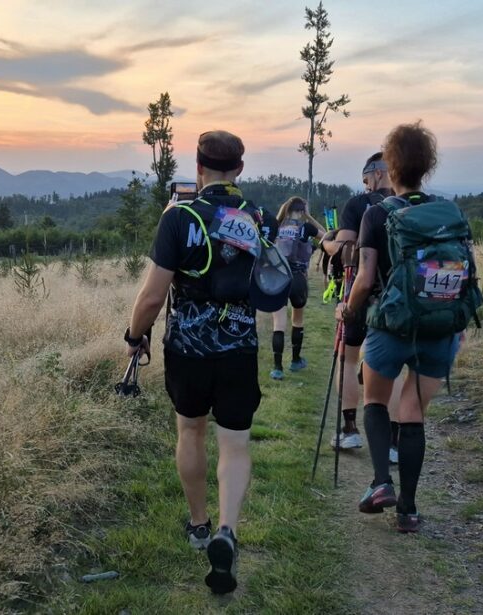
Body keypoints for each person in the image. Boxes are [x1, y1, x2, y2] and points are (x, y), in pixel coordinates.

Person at [124, 130, 277, 593]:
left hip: (188, 350)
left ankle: (198, 526)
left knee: (190, 430)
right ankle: (228, 530)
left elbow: (153, 295)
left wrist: (134, 336)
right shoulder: (258, 219)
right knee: (235, 443)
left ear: (198, 166)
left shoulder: (179, 218)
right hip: (239, 347)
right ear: (240, 170)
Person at [336, 121, 473, 533]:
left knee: (376, 401)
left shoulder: (377, 213)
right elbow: (468, 270)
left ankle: (381, 483)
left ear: (389, 167)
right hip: (440, 327)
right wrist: (460, 322)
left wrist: (347, 309)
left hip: (391, 327)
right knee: (413, 413)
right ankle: (409, 512)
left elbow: (364, 277)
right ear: (428, 166)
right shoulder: (449, 212)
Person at [322, 153, 401, 458]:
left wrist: (325, 243)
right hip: (397, 298)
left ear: (377, 174)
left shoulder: (359, 204)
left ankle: (349, 430)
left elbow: (344, 252)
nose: (365, 183)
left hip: (359, 290)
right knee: (392, 369)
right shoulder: (410, 204)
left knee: (348, 359)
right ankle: (393, 443)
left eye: (366, 177)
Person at [269, 197, 325, 380]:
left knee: (278, 323)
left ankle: (277, 368)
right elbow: (327, 235)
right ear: (302, 211)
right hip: (298, 278)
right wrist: (309, 218)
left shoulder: (277, 227)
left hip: (279, 277)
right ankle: (295, 360)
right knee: (297, 320)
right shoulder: (305, 228)